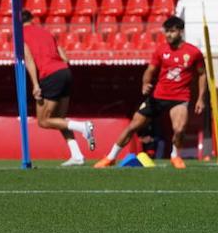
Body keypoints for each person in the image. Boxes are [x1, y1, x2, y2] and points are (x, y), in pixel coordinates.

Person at [93, 15, 207, 170]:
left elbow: (202, 74)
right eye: (166, 31)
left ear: (180, 31)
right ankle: (110, 157)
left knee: (179, 129)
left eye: (172, 31)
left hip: (179, 97)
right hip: (157, 96)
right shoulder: (161, 50)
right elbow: (150, 70)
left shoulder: (194, 53)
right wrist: (145, 83)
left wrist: (200, 98)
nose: (168, 35)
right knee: (133, 126)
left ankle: (175, 156)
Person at [20, 10, 95, 165]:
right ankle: (77, 155)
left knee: (43, 121)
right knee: (59, 120)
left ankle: (83, 127)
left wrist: (35, 84)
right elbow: (64, 56)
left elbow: (28, 60)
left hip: (50, 74)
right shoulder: (46, 32)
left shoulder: (20, 35)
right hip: (64, 71)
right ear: (32, 19)